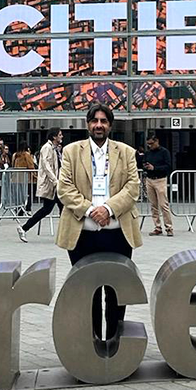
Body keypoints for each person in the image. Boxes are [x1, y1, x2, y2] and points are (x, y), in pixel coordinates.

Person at [56, 103, 142, 340]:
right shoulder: (71, 152)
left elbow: (132, 188)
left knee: (116, 292)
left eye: (104, 121)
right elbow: (64, 188)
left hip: (117, 234)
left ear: (110, 126)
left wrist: (109, 209)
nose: (99, 125)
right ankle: (91, 342)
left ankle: (115, 342)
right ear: (88, 124)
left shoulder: (126, 152)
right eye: (94, 121)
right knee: (87, 292)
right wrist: (91, 210)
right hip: (82, 233)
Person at [17, 129, 64, 242]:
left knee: (61, 209)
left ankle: (66, 234)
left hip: (55, 184)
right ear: (54, 137)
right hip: (51, 184)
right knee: (49, 209)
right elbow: (47, 166)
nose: (62, 136)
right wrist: (55, 180)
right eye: (60, 135)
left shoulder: (54, 148)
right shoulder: (47, 148)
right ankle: (24, 228)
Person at [143, 133, 173, 237]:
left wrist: (155, 168)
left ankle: (169, 227)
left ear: (157, 141)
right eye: (148, 144)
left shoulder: (164, 152)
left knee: (163, 205)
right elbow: (143, 163)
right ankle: (157, 227)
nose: (150, 146)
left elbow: (168, 166)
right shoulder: (147, 153)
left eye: (151, 143)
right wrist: (145, 167)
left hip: (160, 179)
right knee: (153, 205)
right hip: (149, 179)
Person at [12, 142, 36, 213]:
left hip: (16, 178)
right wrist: (35, 174)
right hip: (26, 178)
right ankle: (27, 209)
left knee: (19, 194)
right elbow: (31, 165)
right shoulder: (26, 154)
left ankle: (19, 209)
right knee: (29, 194)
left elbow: (13, 165)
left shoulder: (15, 155)